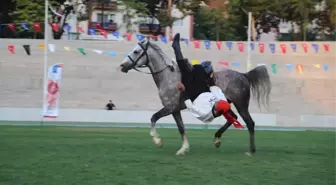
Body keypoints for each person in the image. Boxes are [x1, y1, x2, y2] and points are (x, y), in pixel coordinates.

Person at [172, 33, 243, 128]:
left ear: (216, 110)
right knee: (199, 68)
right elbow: (215, 90)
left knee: (185, 72)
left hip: (193, 94)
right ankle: (190, 67)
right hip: (204, 89)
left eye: (217, 103)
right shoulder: (221, 102)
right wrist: (210, 78)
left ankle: (176, 48)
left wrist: (183, 90)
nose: (216, 101)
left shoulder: (204, 114)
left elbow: (190, 106)